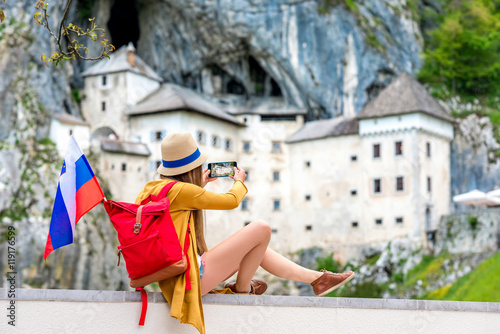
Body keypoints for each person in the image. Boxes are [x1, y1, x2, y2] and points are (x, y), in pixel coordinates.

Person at [135, 132, 354, 334]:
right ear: (191, 168)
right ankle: (243, 289)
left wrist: (198, 186)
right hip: (189, 280)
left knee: (257, 249)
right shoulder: (182, 191)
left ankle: (318, 280)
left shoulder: (153, 190)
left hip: (176, 278)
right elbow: (230, 201)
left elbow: (178, 208)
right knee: (261, 228)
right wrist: (239, 181)